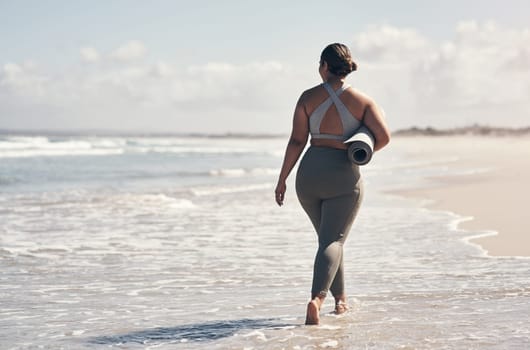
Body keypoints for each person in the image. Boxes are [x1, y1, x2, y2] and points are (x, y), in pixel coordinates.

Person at [275, 43, 390, 325]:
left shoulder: (306, 98)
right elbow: (384, 137)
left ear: (324, 66)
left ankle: (341, 302)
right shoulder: (364, 102)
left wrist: (282, 179)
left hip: (309, 175)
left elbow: (297, 141)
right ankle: (317, 299)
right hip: (342, 174)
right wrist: (361, 145)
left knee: (329, 240)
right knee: (333, 241)